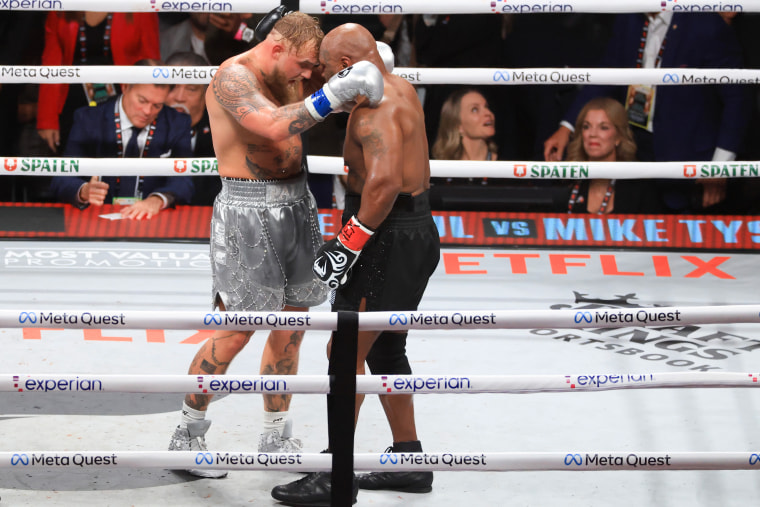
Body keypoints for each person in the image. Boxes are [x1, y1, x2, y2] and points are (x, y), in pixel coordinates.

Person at [166, 9, 383, 479]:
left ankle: (275, 433)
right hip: (246, 210)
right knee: (237, 331)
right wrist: (330, 95)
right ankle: (186, 434)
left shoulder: (295, 68)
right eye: (304, 65)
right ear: (277, 46)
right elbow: (270, 126)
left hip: (297, 202)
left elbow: (332, 89)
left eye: (313, 69)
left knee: (292, 325)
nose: (309, 75)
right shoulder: (231, 78)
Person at [271, 23, 440, 505]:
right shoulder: (398, 86)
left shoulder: (374, 113)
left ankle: (334, 474)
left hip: (385, 236)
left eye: (325, 70)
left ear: (346, 68)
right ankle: (409, 461)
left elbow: (383, 185)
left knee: (343, 354)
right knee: (385, 351)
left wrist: (348, 243)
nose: (321, 79)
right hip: (412, 231)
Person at [542, 11, 752, 213]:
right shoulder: (629, 20)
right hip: (637, 154)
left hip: (689, 164)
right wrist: (566, 127)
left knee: (684, 240)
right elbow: (606, 74)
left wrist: (719, 167)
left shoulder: (705, 25)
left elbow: (738, 99)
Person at [49, 59, 193, 219]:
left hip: (150, 218)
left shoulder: (178, 123)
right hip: (95, 218)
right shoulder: (88, 119)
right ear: (125, 87)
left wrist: (157, 199)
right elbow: (61, 178)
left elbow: (185, 181)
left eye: (157, 106)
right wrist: (84, 191)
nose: (147, 111)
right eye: (142, 101)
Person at [37, 11, 160, 155]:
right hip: (72, 104)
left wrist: (149, 112)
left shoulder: (140, 8)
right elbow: (51, 63)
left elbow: (151, 62)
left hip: (125, 103)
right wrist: (47, 119)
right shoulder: (61, 9)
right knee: (73, 170)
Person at [565, 97, 658, 214]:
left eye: (603, 127)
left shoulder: (640, 189)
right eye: (586, 127)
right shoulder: (568, 181)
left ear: (618, 137)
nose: (592, 134)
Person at [165, 51, 219, 205]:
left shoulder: (222, 131)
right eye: (172, 87)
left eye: (191, 89)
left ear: (205, 94)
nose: (179, 97)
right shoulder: (146, 125)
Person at [431, 88, 497, 184]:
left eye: (486, 107)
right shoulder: (440, 172)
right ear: (457, 125)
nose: (488, 113)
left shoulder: (508, 163)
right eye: (475, 109)